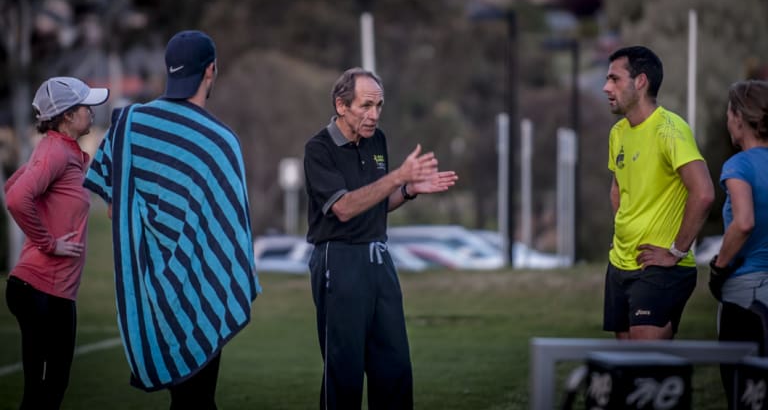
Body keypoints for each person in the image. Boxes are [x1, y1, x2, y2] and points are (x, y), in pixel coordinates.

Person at [83, 30, 261, 409]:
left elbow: (114, 207)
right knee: (198, 401)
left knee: (184, 402)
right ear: (211, 70)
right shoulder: (219, 141)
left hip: (150, 295)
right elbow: (231, 232)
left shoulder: (128, 125)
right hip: (201, 293)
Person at [304, 67, 458, 409]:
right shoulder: (318, 149)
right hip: (339, 262)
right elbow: (343, 208)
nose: (374, 115)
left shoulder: (378, 140)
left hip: (380, 262)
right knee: (344, 374)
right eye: (366, 106)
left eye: (379, 106)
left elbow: (375, 203)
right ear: (341, 105)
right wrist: (394, 178)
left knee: (395, 369)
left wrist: (407, 189)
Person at [4, 76, 109, 409]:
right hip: (39, 290)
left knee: (47, 390)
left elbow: (12, 186)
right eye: (86, 107)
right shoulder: (54, 152)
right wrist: (49, 243)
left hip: (51, 292)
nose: (92, 112)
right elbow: (17, 198)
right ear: (67, 116)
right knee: (44, 393)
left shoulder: (62, 152)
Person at [602, 46, 714, 340]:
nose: (606, 87)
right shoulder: (618, 133)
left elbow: (703, 193)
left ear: (640, 82)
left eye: (614, 79)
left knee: (644, 361)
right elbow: (618, 188)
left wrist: (676, 251)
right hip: (620, 263)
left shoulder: (670, 130)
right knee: (624, 368)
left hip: (660, 267)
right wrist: (624, 234)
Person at [708, 80, 768, 406]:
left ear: (740, 118)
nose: (727, 120)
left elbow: (743, 222)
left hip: (748, 294)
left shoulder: (739, 165)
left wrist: (719, 268)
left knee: (742, 394)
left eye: (729, 113)